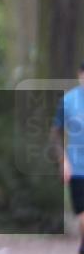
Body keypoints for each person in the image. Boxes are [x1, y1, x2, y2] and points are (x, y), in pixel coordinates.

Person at [52, 62, 84, 254]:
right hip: (77, 169)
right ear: (80, 75)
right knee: (82, 216)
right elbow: (55, 132)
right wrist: (63, 161)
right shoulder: (68, 100)